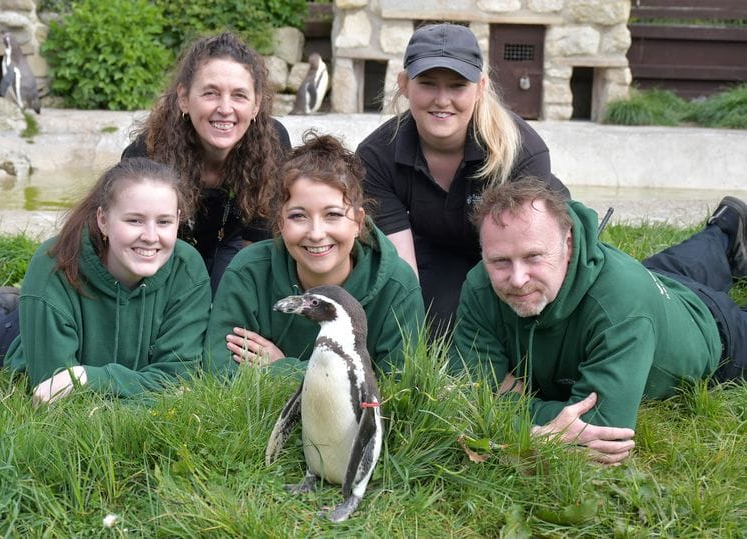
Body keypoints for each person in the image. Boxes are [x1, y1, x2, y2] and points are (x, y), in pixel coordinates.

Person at [450, 178, 747, 464]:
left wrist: (510, 398)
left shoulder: (620, 305)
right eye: (500, 260)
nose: (517, 279)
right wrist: (539, 428)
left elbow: (601, 427)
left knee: (641, 292)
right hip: (660, 280)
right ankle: (727, 226)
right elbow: (464, 396)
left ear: (568, 245)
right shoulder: (480, 286)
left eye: (534, 257)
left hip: (717, 331)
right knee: (703, 250)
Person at [356, 23, 570, 333]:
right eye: (427, 83)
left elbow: (523, 262)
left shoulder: (523, 150)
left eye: (457, 86)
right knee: (432, 324)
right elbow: (404, 274)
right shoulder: (375, 156)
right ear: (404, 84)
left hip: (516, 254)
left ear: (480, 87)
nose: (442, 100)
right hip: (437, 249)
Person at [0, 158, 211, 405]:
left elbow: (178, 379)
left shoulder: (187, 269)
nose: (151, 236)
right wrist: (146, 389)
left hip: (74, 349)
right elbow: (52, 388)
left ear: (178, 220)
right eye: (134, 220)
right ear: (103, 221)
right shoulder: (54, 263)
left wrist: (87, 378)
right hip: (15, 339)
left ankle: (15, 302)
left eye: (164, 222)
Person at [205, 133, 425, 378]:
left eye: (333, 215)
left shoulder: (397, 286)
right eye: (299, 216)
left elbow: (399, 389)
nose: (317, 233)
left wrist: (283, 369)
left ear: (358, 222)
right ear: (280, 223)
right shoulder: (249, 272)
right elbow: (219, 372)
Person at [122, 32, 291, 293]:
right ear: (183, 98)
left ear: (256, 104)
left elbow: (257, 246)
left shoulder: (273, 143)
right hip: (164, 253)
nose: (225, 108)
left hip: (234, 244)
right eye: (210, 93)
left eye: (239, 95)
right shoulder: (147, 154)